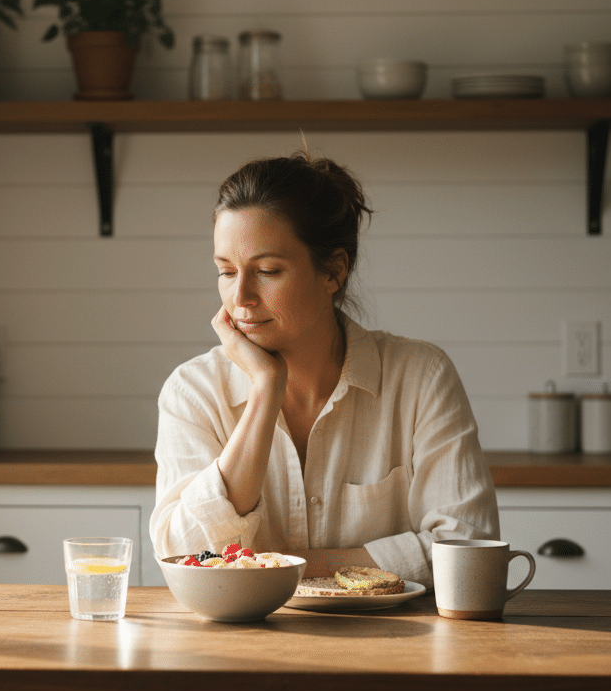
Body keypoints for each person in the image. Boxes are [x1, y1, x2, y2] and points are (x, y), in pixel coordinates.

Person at [150, 151, 498, 586]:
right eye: (226, 272)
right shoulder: (192, 391)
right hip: (241, 649)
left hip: (396, 646)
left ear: (333, 271)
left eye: (268, 270)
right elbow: (184, 556)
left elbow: (467, 548)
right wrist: (264, 389)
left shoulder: (421, 377)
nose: (240, 297)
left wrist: (281, 566)